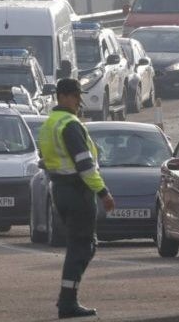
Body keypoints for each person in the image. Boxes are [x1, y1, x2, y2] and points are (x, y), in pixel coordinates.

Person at [38, 78, 116, 319]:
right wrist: (103, 192)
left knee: (78, 246)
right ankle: (67, 302)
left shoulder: (49, 123)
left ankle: (67, 299)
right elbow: (84, 164)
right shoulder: (70, 125)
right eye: (74, 96)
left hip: (60, 190)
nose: (78, 100)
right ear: (62, 96)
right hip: (78, 191)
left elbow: (45, 159)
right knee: (83, 247)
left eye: (79, 96)